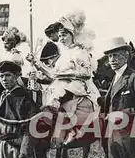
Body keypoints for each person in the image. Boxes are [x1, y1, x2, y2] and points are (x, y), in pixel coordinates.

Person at [31, 11, 101, 145]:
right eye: (60, 36)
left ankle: (68, 129)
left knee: (62, 95)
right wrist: (36, 64)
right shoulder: (64, 54)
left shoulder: (80, 51)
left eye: (64, 35)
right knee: (52, 93)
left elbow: (86, 73)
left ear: (72, 36)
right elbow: (53, 74)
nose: (61, 39)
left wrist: (64, 75)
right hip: (61, 85)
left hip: (79, 87)